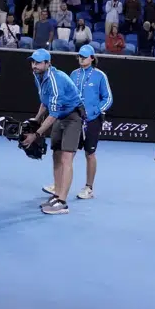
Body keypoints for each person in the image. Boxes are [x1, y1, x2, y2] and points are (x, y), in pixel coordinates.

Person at [23, 49, 85, 216]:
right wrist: (36, 121)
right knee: (56, 155)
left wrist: (36, 134)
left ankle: (63, 203)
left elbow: (53, 113)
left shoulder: (56, 80)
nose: (34, 65)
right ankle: (57, 195)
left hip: (72, 117)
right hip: (59, 116)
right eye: (33, 62)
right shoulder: (38, 76)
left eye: (38, 62)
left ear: (48, 63)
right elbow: (45, 101)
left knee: (66, 158)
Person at [62, 43, 114, 201]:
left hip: (92, 120)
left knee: (89, 153)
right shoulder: (73, 74)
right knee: (67, 152)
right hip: (74, 119)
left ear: (91, 58)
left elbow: (108, 98)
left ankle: (89, 187)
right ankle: (59, 183)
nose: (81, 59)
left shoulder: (100, 76)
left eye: (84, 57)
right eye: (79, 56)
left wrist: (95, 111)